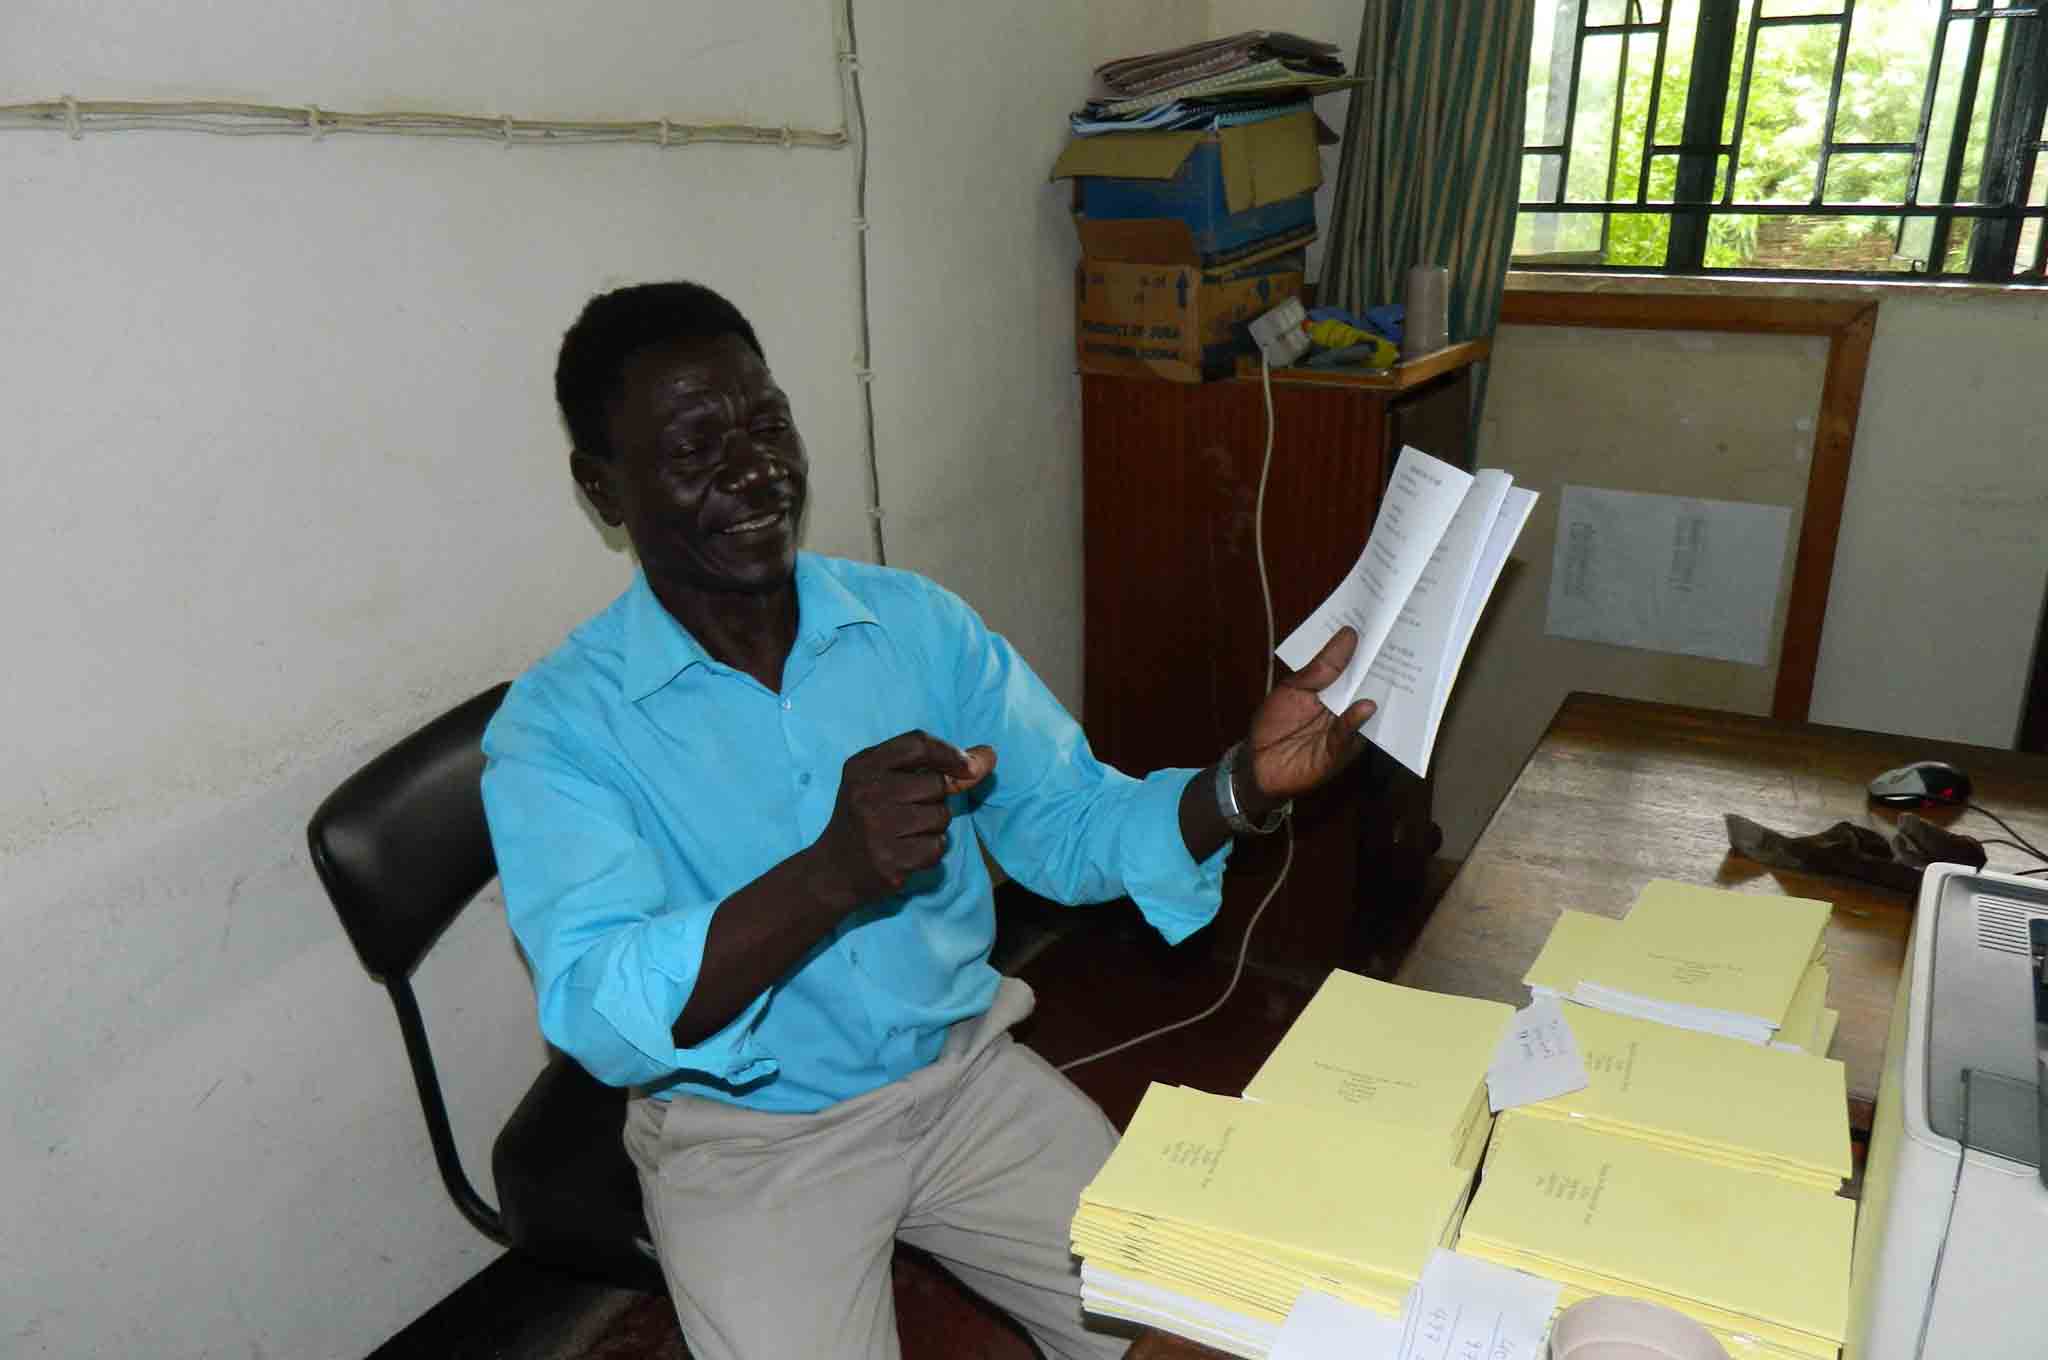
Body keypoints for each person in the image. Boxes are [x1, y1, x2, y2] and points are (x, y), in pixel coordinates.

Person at [480, 281, 1377, 1360]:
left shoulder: (912, 627)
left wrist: (1241, 784)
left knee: (1205, 1326)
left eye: (767, 424)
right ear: (602, 488)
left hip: (961, 1079)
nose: (754, 467)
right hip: (752, 1141)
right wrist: (828, 873)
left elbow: (1066, 818)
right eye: (694, 446)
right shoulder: (560, 728)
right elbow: (594, 1005)